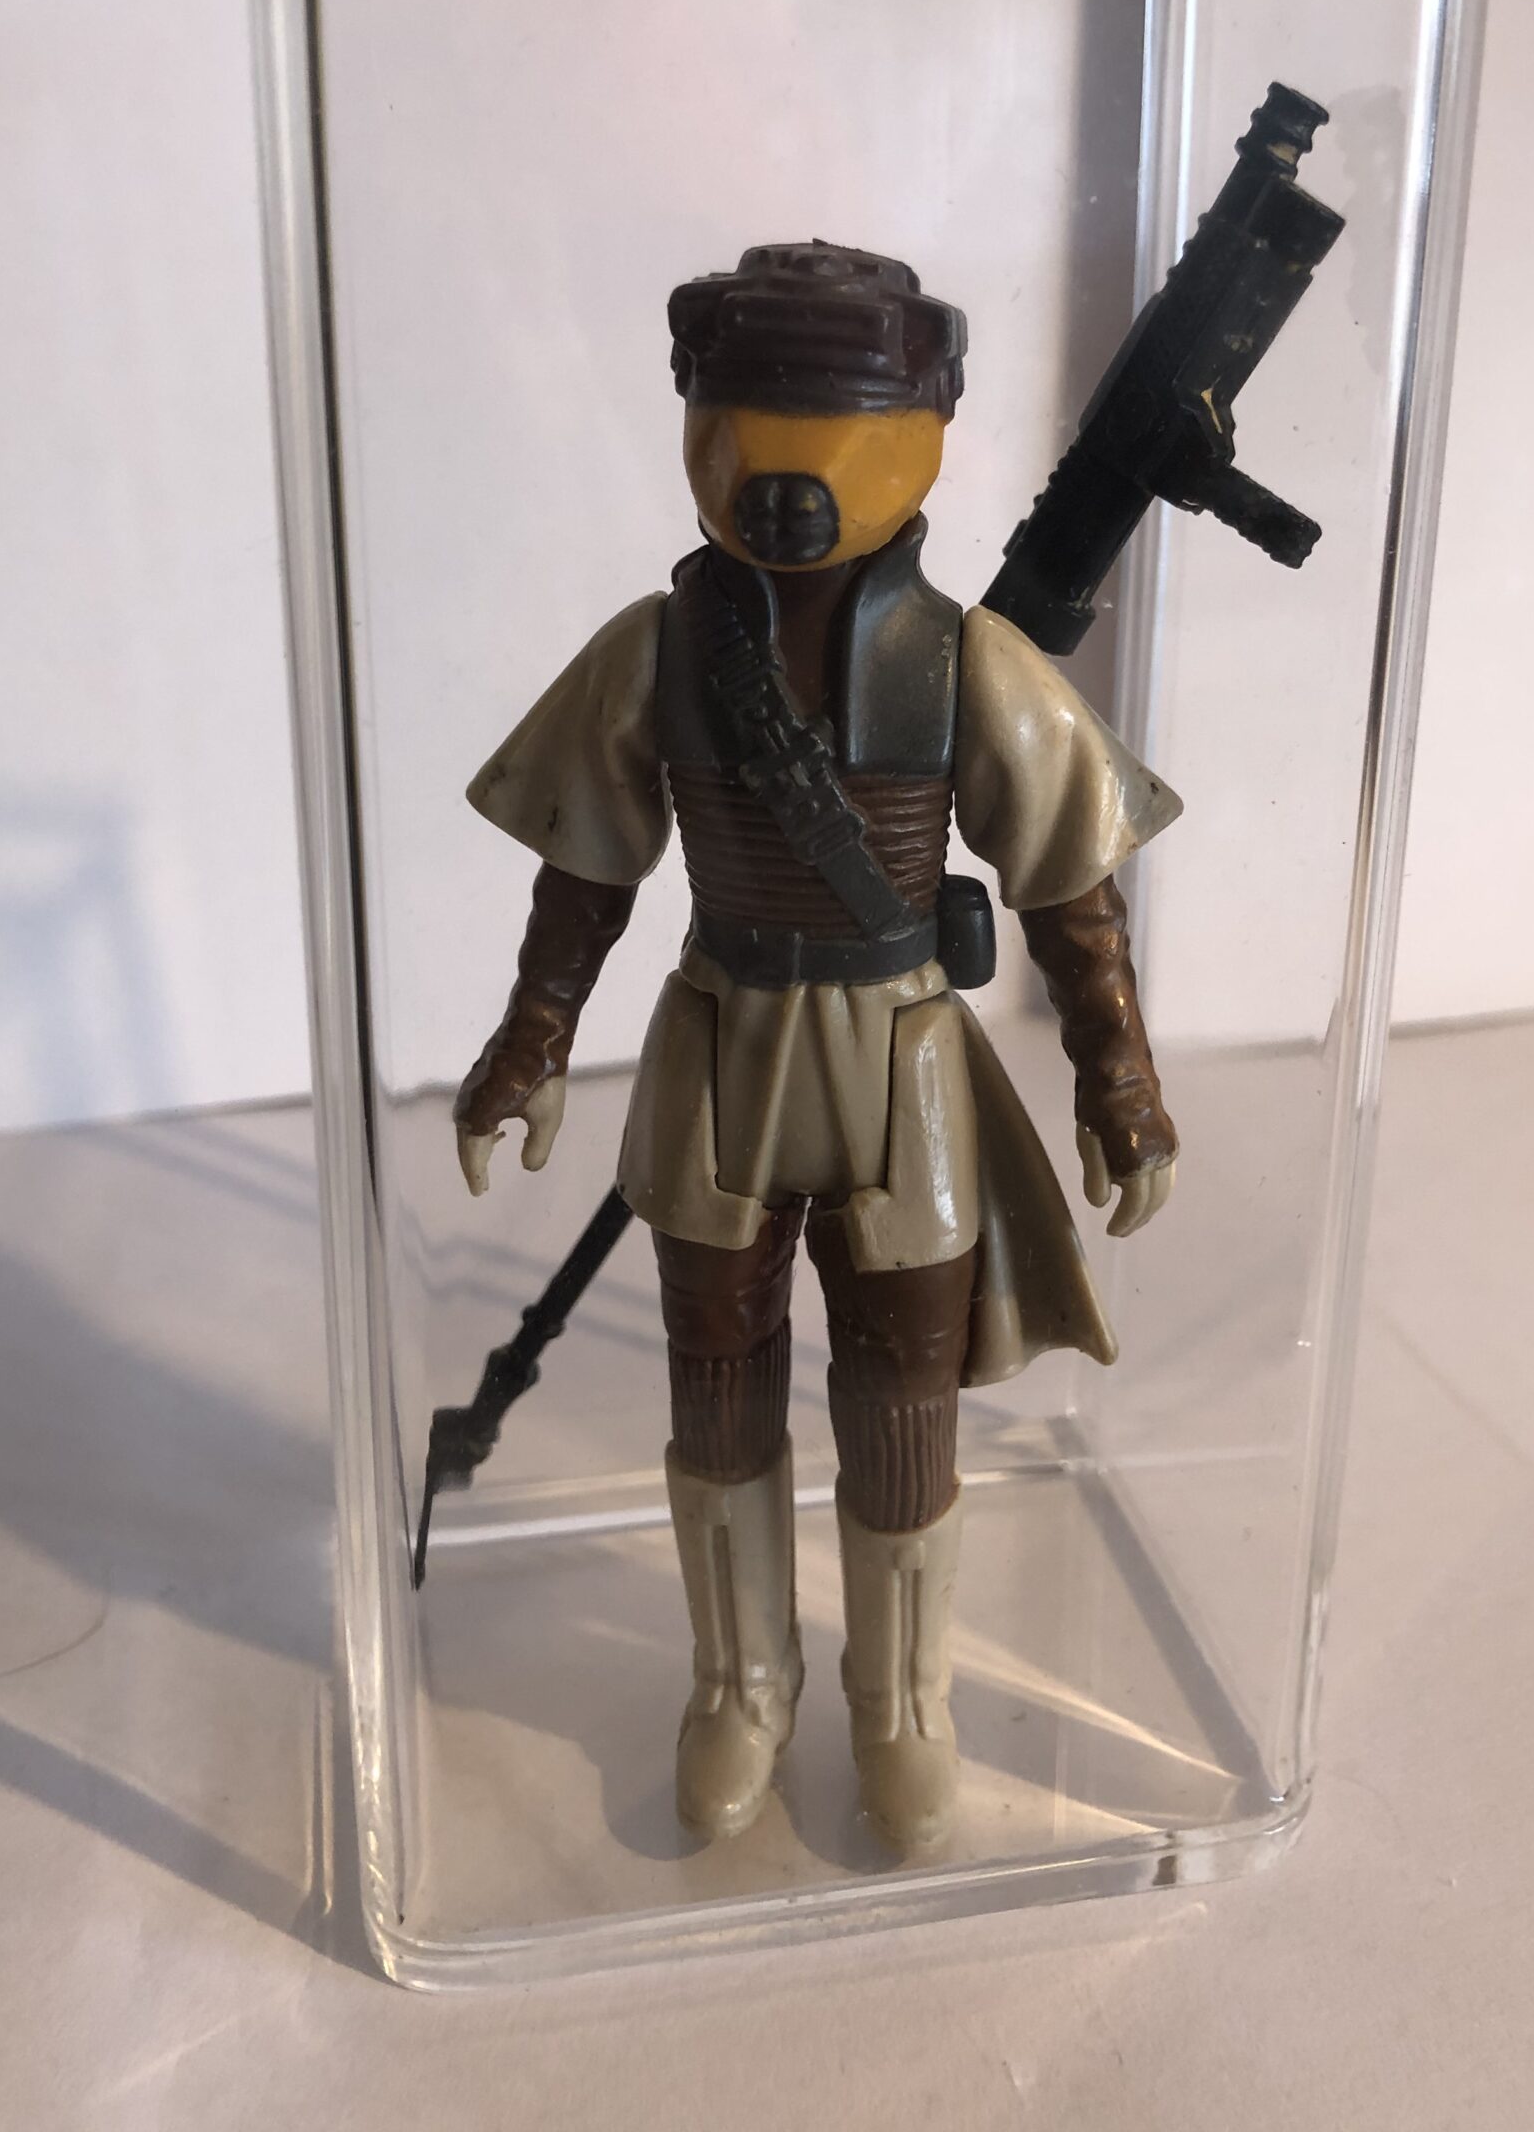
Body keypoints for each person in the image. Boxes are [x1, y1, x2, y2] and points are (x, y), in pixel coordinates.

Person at [454, 241, 1179, 1855]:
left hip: (900, 1054)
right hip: (722, 1036)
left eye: (835, 433)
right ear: (701, 428)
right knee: (716, 1366)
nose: (788, 479)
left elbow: (1069, 881)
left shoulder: (965, 662)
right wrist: (533, 1032)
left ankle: (900, 1697)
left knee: (901, 1379)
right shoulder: (657, 650)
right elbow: (588, 863)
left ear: (921, 437)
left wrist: (1118, 1076)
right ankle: (742, 1680)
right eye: (751, 430)